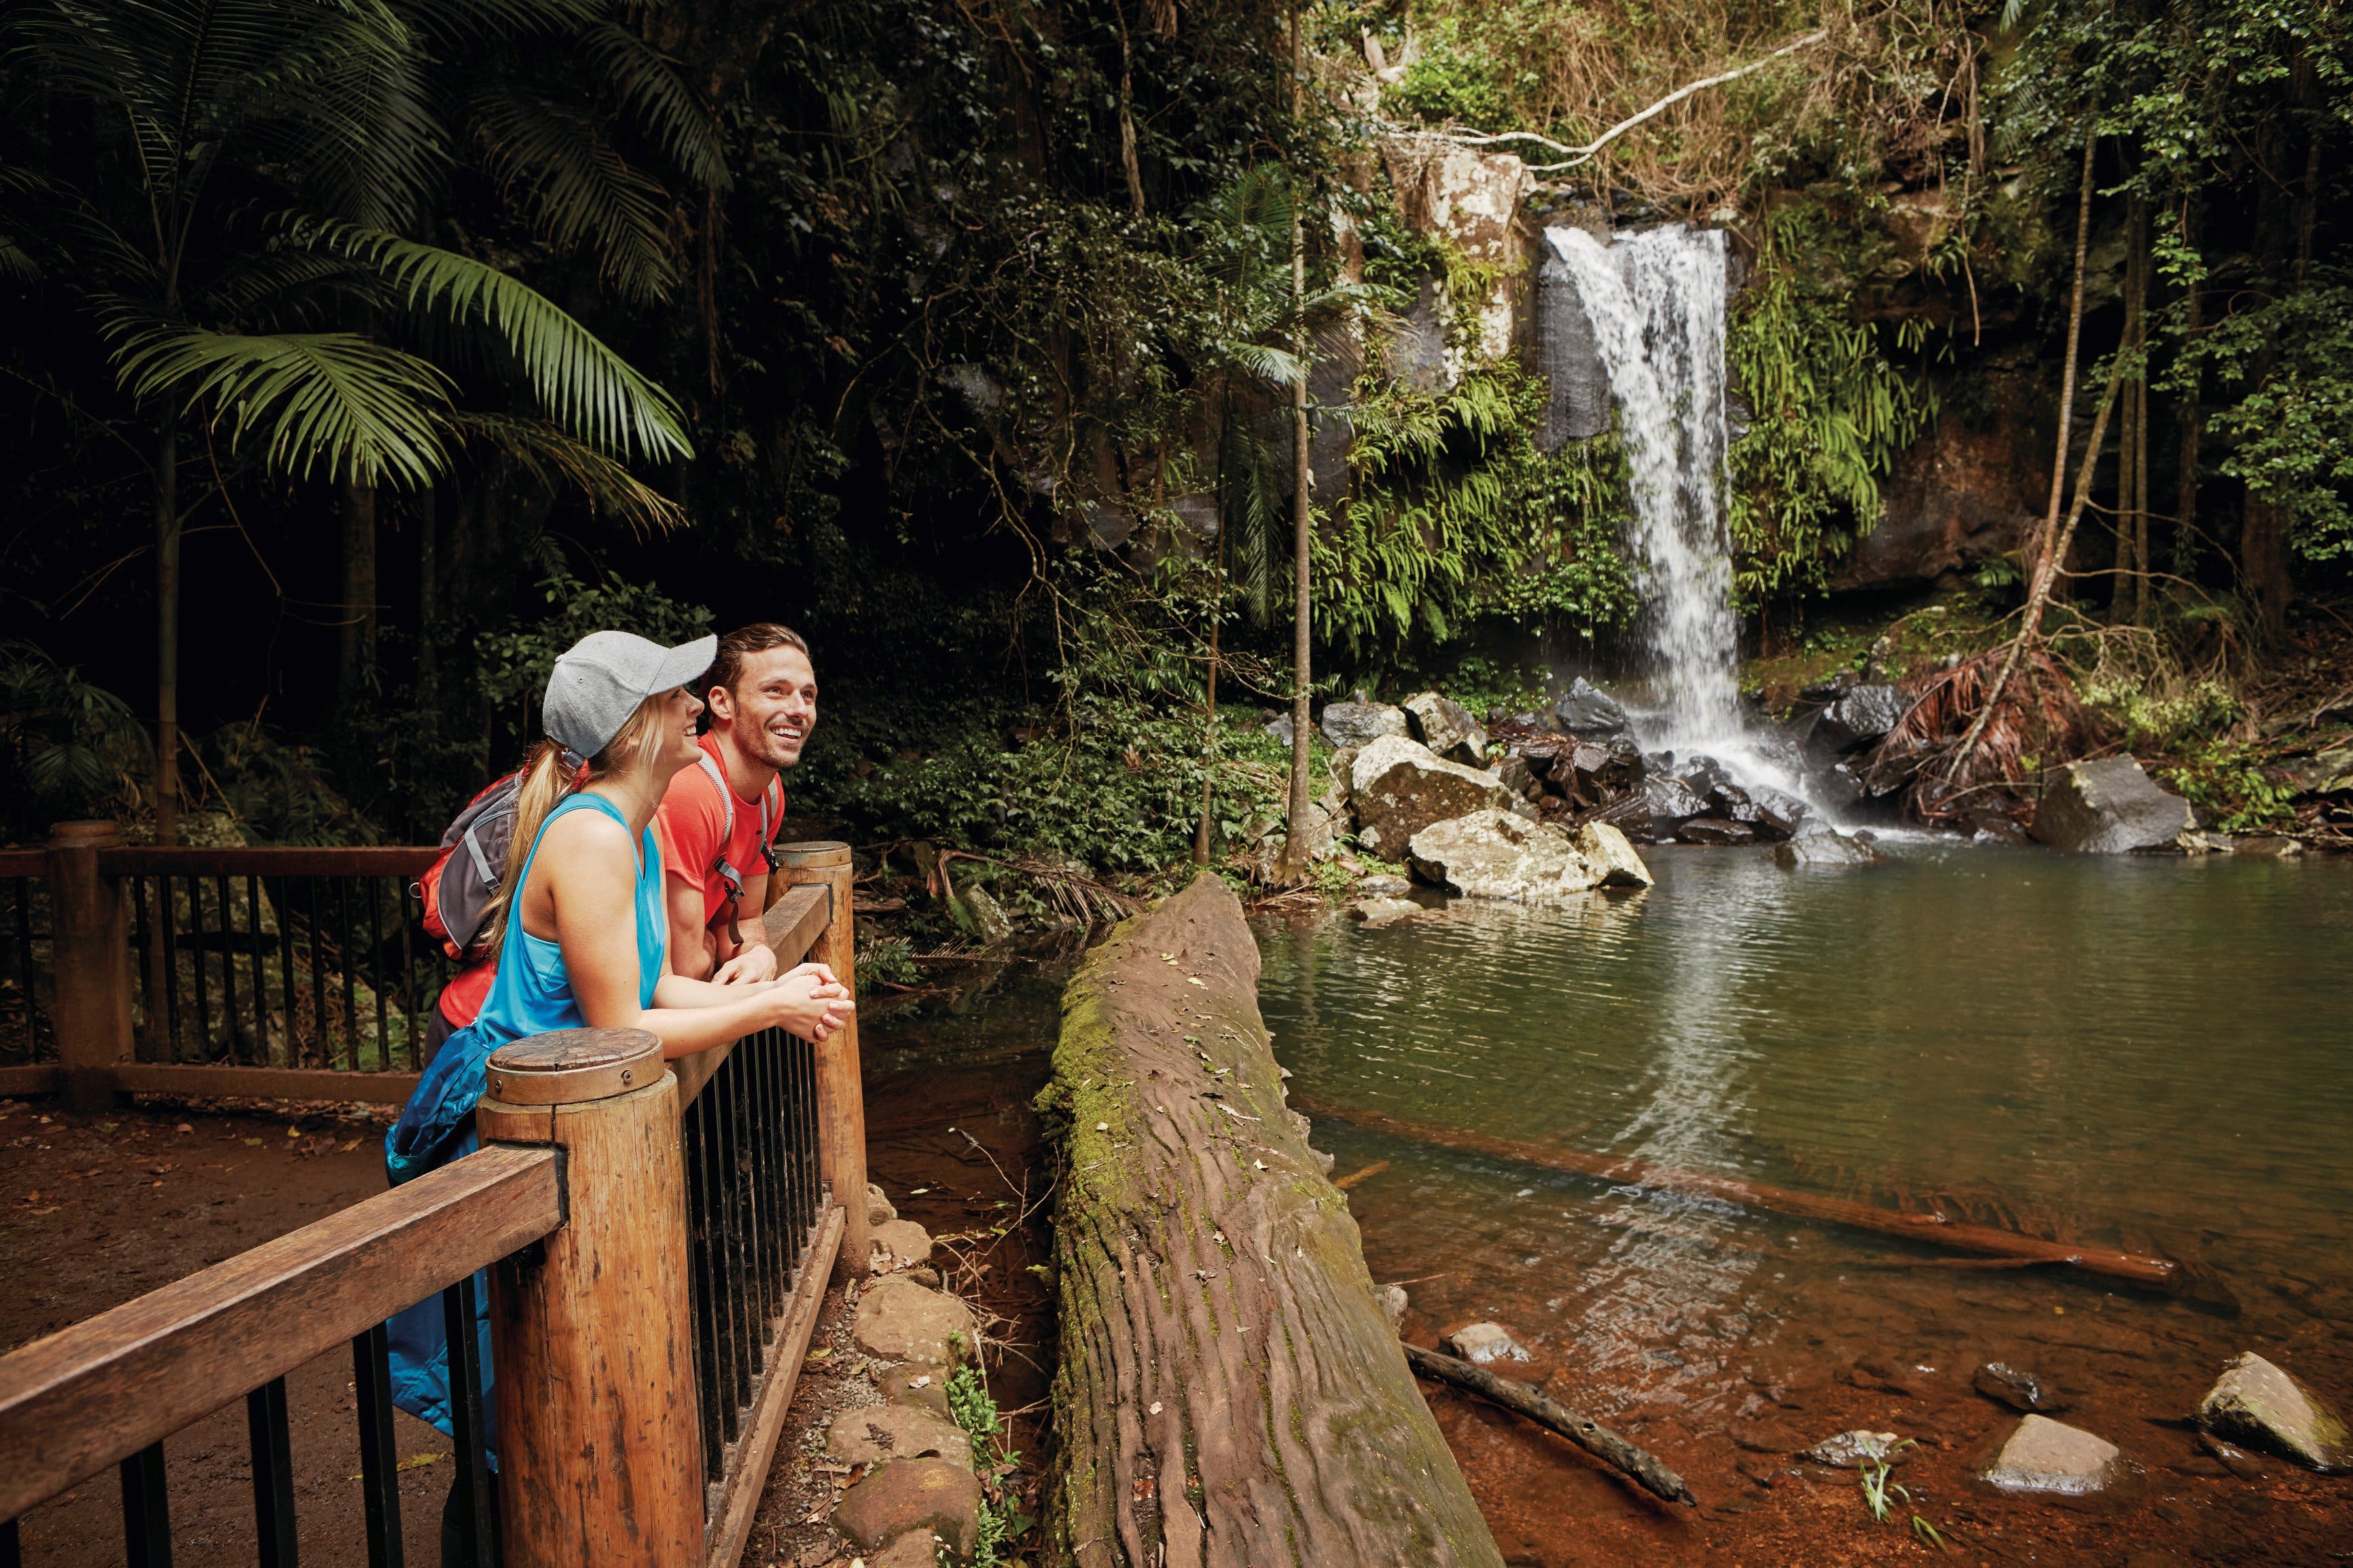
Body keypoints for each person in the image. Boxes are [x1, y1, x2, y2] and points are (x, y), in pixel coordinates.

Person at [381, 630, 854, 1564]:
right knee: (511, 1414)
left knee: (549, 1393)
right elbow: (622, 1024)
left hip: (576, 1132)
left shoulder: (624, 826)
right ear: (640, 723)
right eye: (678, 692)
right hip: (521, 1146)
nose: (694, 704)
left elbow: (656, 990)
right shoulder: (593, 836)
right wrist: (764, 1008)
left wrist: (770, 999)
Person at [655, 623, 819, 983]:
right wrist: (713, 942)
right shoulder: (689, 789)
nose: (798, 710)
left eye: (808, 695)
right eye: (775, 691)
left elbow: (745, 920)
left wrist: (758, 954)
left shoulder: (769, 794)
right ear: (722, 703)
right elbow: (684, 970)